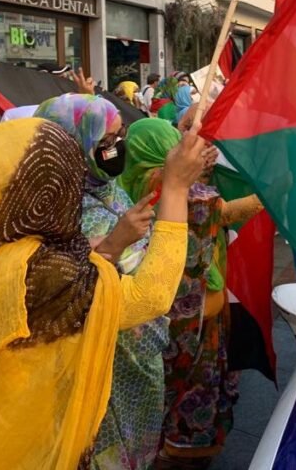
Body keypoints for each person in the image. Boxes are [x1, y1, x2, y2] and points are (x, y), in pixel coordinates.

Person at [0, 116, 205, 469]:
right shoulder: (36, 272)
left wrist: (107, 246)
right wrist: (176, 189)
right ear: (50, 191)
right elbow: (151, 296)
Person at [34, 94, 169, 470]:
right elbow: (67, 282)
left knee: (139, 444)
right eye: (105, 143)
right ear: (72, 147)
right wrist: (115, 244)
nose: (116, 150)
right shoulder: (55, 207)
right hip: (102, 353)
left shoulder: (109, 187)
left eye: (119, 137)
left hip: (140, 346)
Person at [119, 119, 262, 469]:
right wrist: (265, 196)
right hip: (191, 310)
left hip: (149, 308)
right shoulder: (167, 182)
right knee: (191, 386)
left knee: (157, 387)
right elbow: (216, 210)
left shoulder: (127, 179)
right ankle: (182, 453)